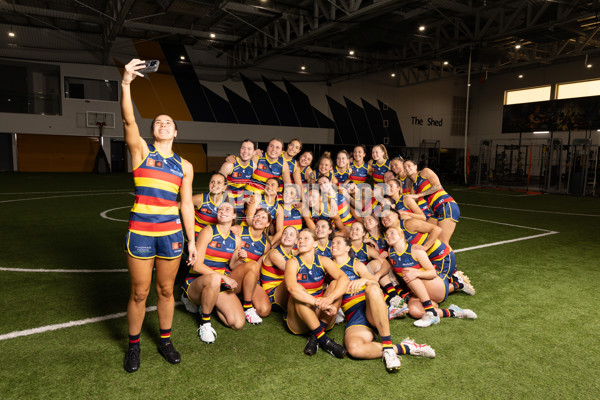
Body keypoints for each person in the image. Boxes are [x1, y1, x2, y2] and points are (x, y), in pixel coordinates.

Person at [121, 59, 197, 373]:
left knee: (166, 290)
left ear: (176, 131)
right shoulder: (141, 151)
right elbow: (128, 123)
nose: (163, 125)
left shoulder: (185, 165)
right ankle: (134, 345)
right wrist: (126, 84)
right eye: (158, 122)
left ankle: (165, 340)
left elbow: (187, 206)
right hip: (141, 232)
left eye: (168, 122)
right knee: (139, 292)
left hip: (171, 235)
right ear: (153, 130)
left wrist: (192, 241)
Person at [330, 236, 435, 372]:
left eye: (338, 242)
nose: (334, 245)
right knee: (354, 349)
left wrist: (365, 280)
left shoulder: (355, 264)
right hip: (353, 315)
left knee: (372, 288)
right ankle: (405, 347)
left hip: (370, 307)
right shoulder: (328, 266)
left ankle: (387, 344)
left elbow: (374, 283)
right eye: (332, 243)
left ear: (347, 248)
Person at [182, 202, 264, 344]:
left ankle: (210, 303)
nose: (223, 211)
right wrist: (223, 277)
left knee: (238, 323)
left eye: (227, 209)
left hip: (218, 283)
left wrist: (240, 259)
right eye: (220, 209)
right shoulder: (208, 231)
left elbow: (232, 265)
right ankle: (205, 323)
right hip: (198, 282)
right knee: (213, 278)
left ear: (233, 216)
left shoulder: (236, 239)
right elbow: (196, 266)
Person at [385, 225, 477, 327]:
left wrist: (416, 273)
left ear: (401, 235)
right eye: (387, 235)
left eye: (392, 233)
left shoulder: (415, 249)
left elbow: (432, 273)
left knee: (409, 273)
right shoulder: (391, 252)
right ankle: (453, 312)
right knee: (414, 311)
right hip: (420, 293)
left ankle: (431, 313)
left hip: (436, 285)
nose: (389, 236)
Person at [284, 229, 350, 358]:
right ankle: (324, 340)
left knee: (335, 284)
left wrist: (330, 298)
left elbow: (345, 279)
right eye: (300, 238)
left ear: (315, 243)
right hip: (299, 320)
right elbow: (292, 288)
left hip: (321, 315)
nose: (301, 240)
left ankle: (315, 337)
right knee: (298, 291)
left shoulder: (323, 260)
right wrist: (318, 302)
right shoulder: (292, 262)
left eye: (306, 238)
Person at [404, 159, 460, 245]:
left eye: (409, 166)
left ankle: (448, 258)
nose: (407, 168)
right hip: (436, 210)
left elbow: (437, 186)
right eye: (404, 167)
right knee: (425, 234)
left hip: (446, 205)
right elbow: (412, 204)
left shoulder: (425, 172)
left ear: (415, 166)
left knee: (443, 242)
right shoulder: (413, 187)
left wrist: (418, 195)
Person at [260, 226, 298, 311]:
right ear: (281, 237)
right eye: (285, 234)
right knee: (294, 278)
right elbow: (287, 269)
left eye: (291, 235)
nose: (287, 236)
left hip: (285, 293)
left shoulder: (292, 253)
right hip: (271, 295)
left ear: (296, 240)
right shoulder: (274, 253)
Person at [219, 139, 256, 215]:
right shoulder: (229, 165)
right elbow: (218, 186)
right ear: (240, 150)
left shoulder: (253, 166)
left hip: (240, 200)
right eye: (243, 148)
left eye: (249, 149)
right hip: (226, 198)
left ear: (253, 152)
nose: (245, 151)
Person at [190, 173, 227, 238]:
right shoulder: (199, 199)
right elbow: (180, 205)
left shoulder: (228, 202)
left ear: (224, 188)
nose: (215, 185)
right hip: (198, 237)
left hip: (216, 238)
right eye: (212, 182)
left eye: (219, 183)